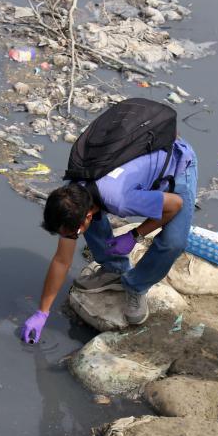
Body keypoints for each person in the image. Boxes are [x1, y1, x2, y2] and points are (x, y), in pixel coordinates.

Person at [21, 137, 197, 343]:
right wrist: (42, 312)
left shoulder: (120, 200)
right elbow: (62, 260)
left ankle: (136, 286)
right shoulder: (73, 192)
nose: (71, 238)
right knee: (87, 224)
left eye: (72, 233)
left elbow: (174, 205)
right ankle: (114, 269)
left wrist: (134, 235)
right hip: (134, 163)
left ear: (87, 215)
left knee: (174, 242)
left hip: (176, 165)